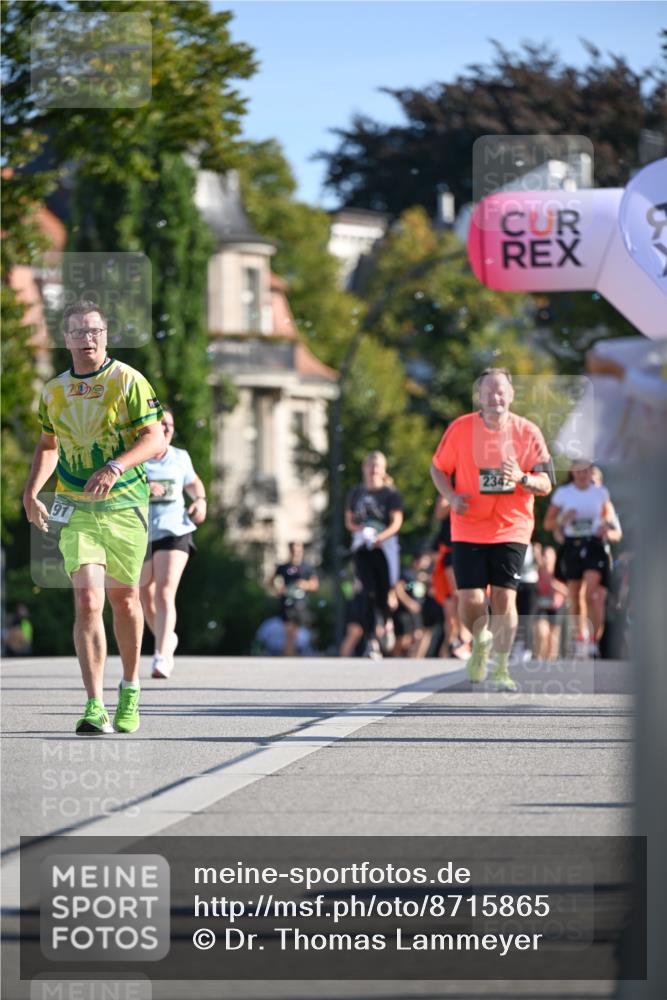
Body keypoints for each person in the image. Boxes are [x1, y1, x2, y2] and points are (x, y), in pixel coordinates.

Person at [23, 300, 164, 734]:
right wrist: (30, 492)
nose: (88, 339)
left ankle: (131, 687)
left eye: (95, 331)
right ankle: (94, 705)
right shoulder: (54, 391)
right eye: (79, 332)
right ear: (65, 339)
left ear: (106, 336)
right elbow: (49, 445)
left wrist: (116, 465)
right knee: (88, 600)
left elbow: (155, 439)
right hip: (77, 508)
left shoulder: (127, 380)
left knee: (126, 602)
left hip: (125, 506)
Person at [430, 368, 553, 690]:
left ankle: (500, 666)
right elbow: (437, 468)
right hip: (468, 525)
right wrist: (451, 496)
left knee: (503, 597)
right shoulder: (460, 429)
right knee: (470, 599)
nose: (495, 398)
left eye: (501, 392)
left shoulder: (528, 432)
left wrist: (523, 478)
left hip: (513, 527)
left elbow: (546, 482)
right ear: (479, 397)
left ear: (511, 395)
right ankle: (480, 639)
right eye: (488, 393)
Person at [139, 407, 207, 678]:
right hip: (142, 533)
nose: (166, 428)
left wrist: (200, 501)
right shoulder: (138, 458)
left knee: (165, 591)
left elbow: (194, 484)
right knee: (145, 595)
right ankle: (168, 638)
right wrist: (144, 488)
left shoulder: (180, 457)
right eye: (161, 424)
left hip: (174, 530)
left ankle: (161, 656)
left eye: (170, 424)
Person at [543, 459, 622, 658]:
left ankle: (593, 640)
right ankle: (580, 636)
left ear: (591, 472)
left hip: (594, 544)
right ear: (572, 472)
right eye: (578, 471)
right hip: (573, 544)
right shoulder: (564, 493)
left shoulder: (600, 492)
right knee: (575, 596)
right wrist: (562, 519)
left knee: (591, 593)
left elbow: (609, 520)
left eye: (586, 471)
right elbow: (548, 523)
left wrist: (606, 528)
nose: (582, 475)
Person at [340, 451, 404, 658]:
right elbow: (349, 521)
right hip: (363, 547)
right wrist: (361, 532)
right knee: (367, 593)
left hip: (384, 547)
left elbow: (396, 522)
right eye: (370, 466)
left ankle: (386, 620)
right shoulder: (356, 492)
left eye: (378, 466)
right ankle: (371, 640)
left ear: (383, 469)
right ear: (364, 468)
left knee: (384, 591)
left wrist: (380, 537)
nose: (374, 470)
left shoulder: (390, 494)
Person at [272, 542, 319, 656]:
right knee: (289, 633)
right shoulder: (283, 567)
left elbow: (315, 584)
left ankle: (292, 657)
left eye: (298, 549)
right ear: (290, 551)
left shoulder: (307, 567)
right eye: (294, 550)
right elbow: (272, 581)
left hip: (302, 605)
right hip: (287, 604)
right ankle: (288, 659)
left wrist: (305, 584)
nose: (296, 552)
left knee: (296, 635)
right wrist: (279, 589)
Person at [533, 545, 568, 661]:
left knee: (553, 636)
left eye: (549, 556)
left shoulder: (559, 571)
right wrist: (537, 553)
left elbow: (568, 592)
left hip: (556, 606)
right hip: (542, 605)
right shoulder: (540, 570)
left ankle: (550, 661)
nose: (546, 558)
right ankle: (538, 657)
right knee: (541, 631)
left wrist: (555, 586)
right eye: (545, 555)